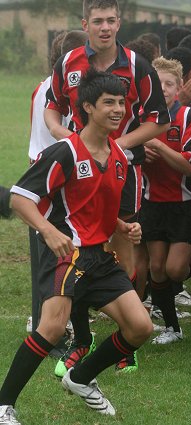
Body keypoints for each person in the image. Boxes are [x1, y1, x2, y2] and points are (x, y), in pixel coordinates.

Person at [0, 69, 154, 425]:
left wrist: (123, 226)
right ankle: (5, 404)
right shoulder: (65, 151)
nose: (118, 110)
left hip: (100, 256)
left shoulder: (119, 156)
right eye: (109, 103)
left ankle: (80, 378)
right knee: (52, 328)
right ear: (87, 106)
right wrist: (47, 231)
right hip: (66, 255)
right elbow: (21, 199)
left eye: (121, 103)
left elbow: (96, 206)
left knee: (140, 328)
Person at [44, 0, 170, 373]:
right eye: (96, 21)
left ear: (120, 23)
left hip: (120, 172)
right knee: (77, 254)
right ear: (85, 23)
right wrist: (64, 136)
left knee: (122, 253)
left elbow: (159, 121)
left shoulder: (137, 66)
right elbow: (52, 107)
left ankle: (127, 343)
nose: (104, 27)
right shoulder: (68, 64)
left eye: (110, 21)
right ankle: (83, 339)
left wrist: (118, 146)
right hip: (76, 173)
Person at [140, 56, 191, 344]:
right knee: (156, 267)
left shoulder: (189, 117)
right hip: (152, 203)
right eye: (158, 83)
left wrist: (157, 146)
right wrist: (141, 149)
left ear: (180, 87)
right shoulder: (142, 120)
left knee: (174, 269)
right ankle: (173, 328)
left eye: (169, 83)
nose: (164, 88)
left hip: (184, 204)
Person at [28, 30, 89, 337]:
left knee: (46, 249)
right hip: (50, 175)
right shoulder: (57, 92)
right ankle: (47, 322)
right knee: (51, 251)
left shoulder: (43, 89)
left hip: (45, 171)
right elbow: (61, 134)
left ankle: (43, 316)